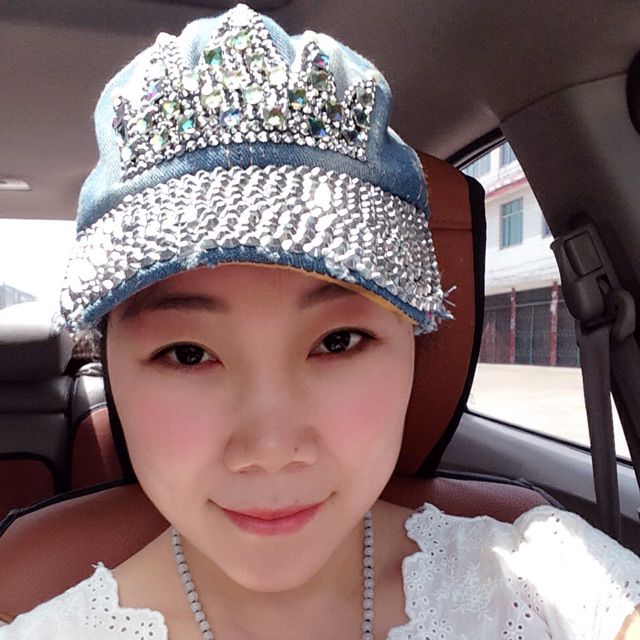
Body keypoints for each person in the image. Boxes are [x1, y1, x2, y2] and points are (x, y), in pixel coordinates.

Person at [1, 5, 639, 638]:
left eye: (338, 341)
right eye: (188, 354)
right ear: (109, 366)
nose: (272, 450)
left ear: (414, 346)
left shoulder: (545, 577)